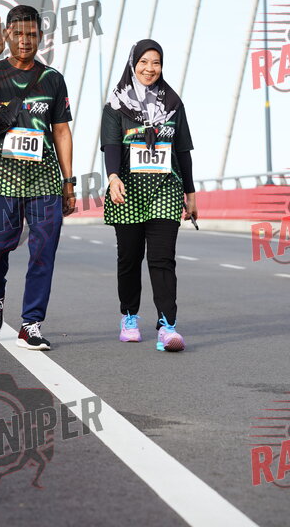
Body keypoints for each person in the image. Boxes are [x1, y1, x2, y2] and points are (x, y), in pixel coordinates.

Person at [0, 5, 75, 350]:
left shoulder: (52, 79)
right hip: (0, 177)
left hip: (44, 179)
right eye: (18, 34)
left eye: (32, 34)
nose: (25, 40)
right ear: (8, 35)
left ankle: (31, 323)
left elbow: (61, 131)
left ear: (41, 37)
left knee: (43, 251)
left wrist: (68, 182)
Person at [100, 40, 197, 352]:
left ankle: (167, 327)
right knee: (129, 258)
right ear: (133, 64)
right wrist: (113, 176)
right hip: (127, 189)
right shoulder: (115, 105)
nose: (150, 68)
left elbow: (183, 151)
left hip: (165, 189)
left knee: (162, 259)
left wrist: (190, 192)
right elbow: (111, 145)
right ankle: (129, 317)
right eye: (143, 62)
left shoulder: (174, 104)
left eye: (156, 62)